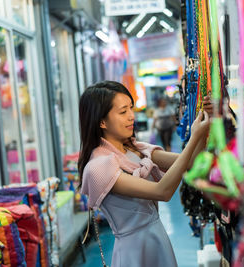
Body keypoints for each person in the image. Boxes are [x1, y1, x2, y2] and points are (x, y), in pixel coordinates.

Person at [78, 81, 212, 267]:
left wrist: (206, 119)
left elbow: (191, 162)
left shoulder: (138, 149)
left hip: (157, 238)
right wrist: (195, 137)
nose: (132, 116)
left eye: (131, 109)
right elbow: (162, 192)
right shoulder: (98, 167)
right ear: (101, 121)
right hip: (134, 250)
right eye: (123, 111)